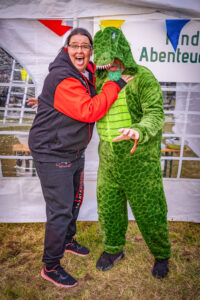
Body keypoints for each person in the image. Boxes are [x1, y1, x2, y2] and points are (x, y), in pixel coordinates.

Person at [28, 27, 133, 288]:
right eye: (75, 45)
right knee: (60, 211)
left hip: (72, 150)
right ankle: (51, 266)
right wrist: (116, 83)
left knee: (75, 200)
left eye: (85, 46)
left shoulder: (84, 72)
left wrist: (44, 100)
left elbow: (83, 94)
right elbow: (89, 110)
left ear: (90, 51)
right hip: (52, 152)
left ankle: (67, 240)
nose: (80, 50)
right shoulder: (64, 77)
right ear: (67, 49)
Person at [93, 25, 171, 279]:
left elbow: (155, 112)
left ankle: (161, 254)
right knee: (109, 207)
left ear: (123, 53)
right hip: (108, 158)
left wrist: (139, 129)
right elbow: (87, 104)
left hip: (139, 159)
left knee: (150, 209)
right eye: (104, 61)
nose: (109, 65)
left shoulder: (143, 77)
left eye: (113, 59)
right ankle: (114, 249)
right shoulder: (100, 79)